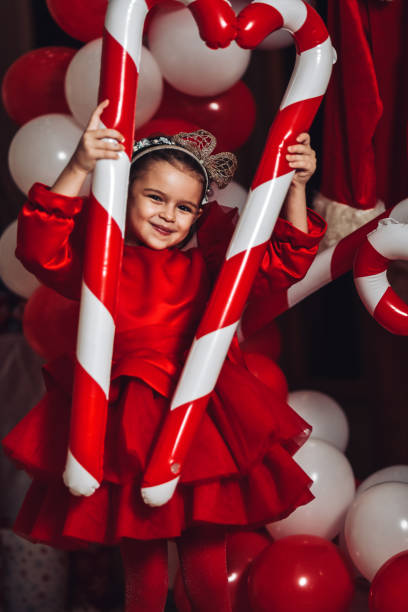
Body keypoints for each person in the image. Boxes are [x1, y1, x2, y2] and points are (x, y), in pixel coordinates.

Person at [3, 100, 325, 611]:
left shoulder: (211, 268)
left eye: (183, 207)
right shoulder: (101, 261)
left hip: (198, 422)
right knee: (146, 572)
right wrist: (81, 166)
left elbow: (280, 265)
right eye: (155, 197)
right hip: (125, 422)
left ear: (199, 215)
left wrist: (296, 188)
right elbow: (39, 249)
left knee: (205, 565)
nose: (167, 215)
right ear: (125, 195)